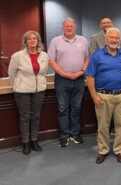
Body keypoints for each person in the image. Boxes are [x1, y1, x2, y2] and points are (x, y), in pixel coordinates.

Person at [86, 27, 121, 164]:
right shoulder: (97, 55)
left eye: (117, 38)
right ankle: (103, 150)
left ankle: (119, 150)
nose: (114, 40)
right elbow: (90, 76)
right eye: (111, 37)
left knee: (120, 124)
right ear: (106, 39)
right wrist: (94, 96)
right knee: (103, 126)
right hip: (102, 97)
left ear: (119, 40)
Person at [48, 18, 89, 147]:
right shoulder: (55, 41)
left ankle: (75, 134)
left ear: (75, 27)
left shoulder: (83, 40)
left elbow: (88, 58)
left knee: (76, 108)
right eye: (66, 26)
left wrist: (82, 71)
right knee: (63, 108)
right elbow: (51, 61)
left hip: (79, 79)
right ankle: (64, 135)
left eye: (71, 26)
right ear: (63, 28)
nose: (69, 28)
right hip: (62, 79)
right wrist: (64, 73)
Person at [8, 31, 48, 154]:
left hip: (39, 90)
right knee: (25, 117)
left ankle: (34, 141)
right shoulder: (17, 56)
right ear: (25, 41)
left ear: (38, 41)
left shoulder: (44, 55)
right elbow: (11, 74)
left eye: (34, 38)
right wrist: (17, 85)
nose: (32, 40)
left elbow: (44, 72)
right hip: (22, 91)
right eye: (29, 39)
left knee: (36, 116)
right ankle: (25, 142)